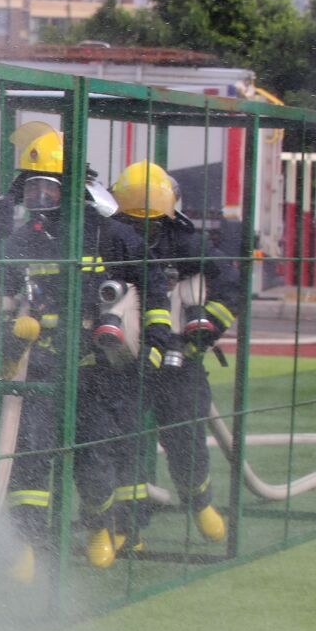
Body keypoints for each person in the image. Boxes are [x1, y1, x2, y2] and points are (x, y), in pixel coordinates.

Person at [0, 130, 173, 574]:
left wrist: (154, 346)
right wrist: (10, 334)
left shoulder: (112, 237)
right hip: (39, 366)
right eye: (32, 188)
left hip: (97, 369)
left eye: (48, 188)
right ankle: (27, 544)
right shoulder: (20, 242)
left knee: (95, 457)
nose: (39, 198)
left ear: (73, 190)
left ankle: (98, 526)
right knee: (30, 456)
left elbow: (153, 290)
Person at [111, 160, 236, 546]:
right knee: (122, 441)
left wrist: (205, 331)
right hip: (127, 363)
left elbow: (229, 284)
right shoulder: (110, 241)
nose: (139, 232)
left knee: (185, 436)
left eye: (149, 224)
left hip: (179, 361)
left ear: (165, 218)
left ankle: (200, 503)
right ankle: (126, 528)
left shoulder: (186, 245)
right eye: (132, 223)